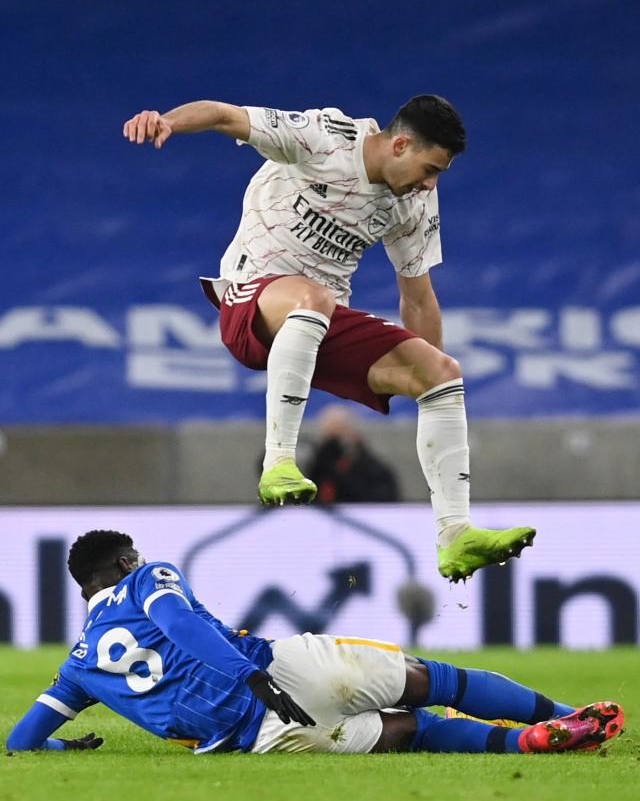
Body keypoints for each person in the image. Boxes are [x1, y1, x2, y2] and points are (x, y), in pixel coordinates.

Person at [122, 95, 534, 583]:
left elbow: (419, 299)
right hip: (250, 304)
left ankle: (455, 535)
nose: (431, 182)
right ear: (399, 144)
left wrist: (425, 385)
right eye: (429, 168)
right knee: (312, 298)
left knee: (443, 373)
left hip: (316, 321)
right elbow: (223, 114)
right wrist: (165, 121)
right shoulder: (322, 139)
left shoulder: (415, 200)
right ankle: (278, 464)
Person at [7, 531, 624, 756]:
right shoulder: (146, 578)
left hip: (268, 739)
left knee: (420, 731)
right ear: (124, 560)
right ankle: (568, 717)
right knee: (432, 679)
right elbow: (184, 627)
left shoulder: (79, 666)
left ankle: (526, 744)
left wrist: (64, 744)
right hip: (279, 672)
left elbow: (20, 742)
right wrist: (253, 678)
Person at [307, 404, 400, 503]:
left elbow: (382, 503)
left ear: (354, 435)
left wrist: (340, 475)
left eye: (338, 438)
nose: (334, 447)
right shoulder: (318, 470)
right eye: (329, 439)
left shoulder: (376, 472)